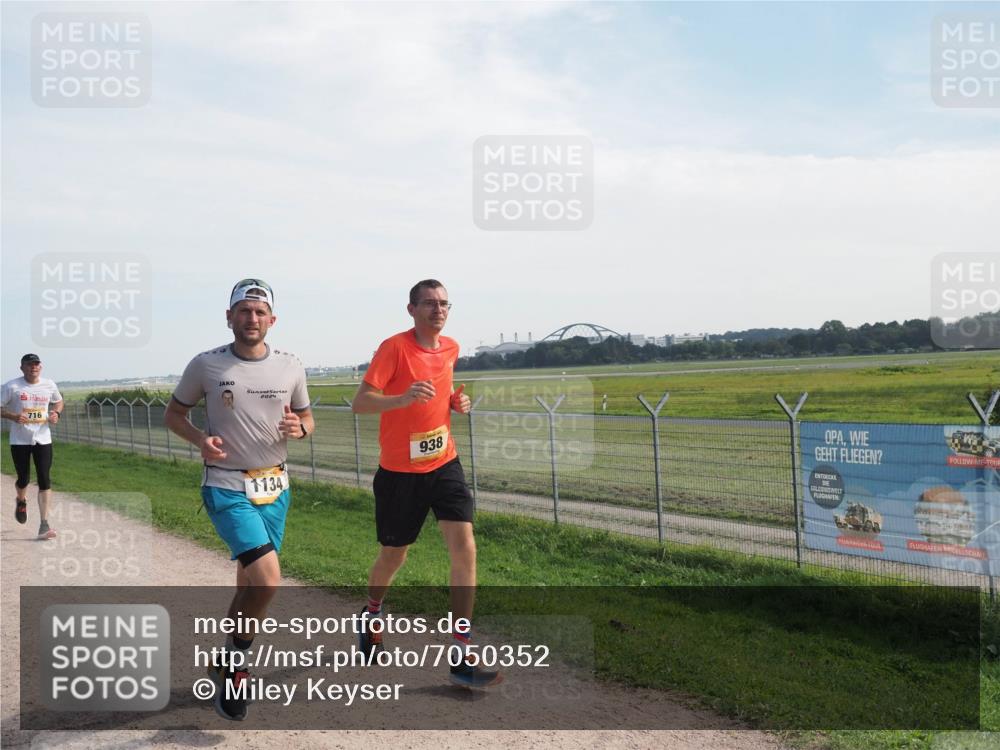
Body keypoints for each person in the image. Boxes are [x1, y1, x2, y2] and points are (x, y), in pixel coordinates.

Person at [165, 279, 313, 721]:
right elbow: (174, 414)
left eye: (259, 311)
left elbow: (307, 418)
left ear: (272, 319)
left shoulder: (291, 365)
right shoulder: (206, 365)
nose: (252, 319)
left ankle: (224, 659)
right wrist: (199, 439)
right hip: (226, 486)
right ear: (229, 317)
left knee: (250, 583)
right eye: (243, 311)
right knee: (268, 580)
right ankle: (236, 665)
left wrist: (299, 429)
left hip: (275, 488)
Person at [352, 279, 501, 689]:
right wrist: (400, 400)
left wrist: (455, 401)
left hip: (444, 462)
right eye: (429, 303)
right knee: (393, 557)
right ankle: (371, 610)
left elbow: (442, 390)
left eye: (444, 304)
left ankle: (461, 650)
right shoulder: (394, 348)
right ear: (411, 309)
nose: (438, 310)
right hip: (400, 473)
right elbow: (361, 402)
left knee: (465, 547)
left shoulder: (451, 348)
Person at [1, 353, 63, 540]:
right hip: (19, 440)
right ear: (22, 368)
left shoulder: (49, 384)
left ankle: (44, 525)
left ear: (40, 367)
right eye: (29, 365)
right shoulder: (12, 386)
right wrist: (13, 416)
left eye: (36, 364)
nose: (33, 367)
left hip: (43, 439)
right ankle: (21, 500)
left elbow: (59, 401)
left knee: (44, 478)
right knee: (24, 479)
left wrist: (56, 414)